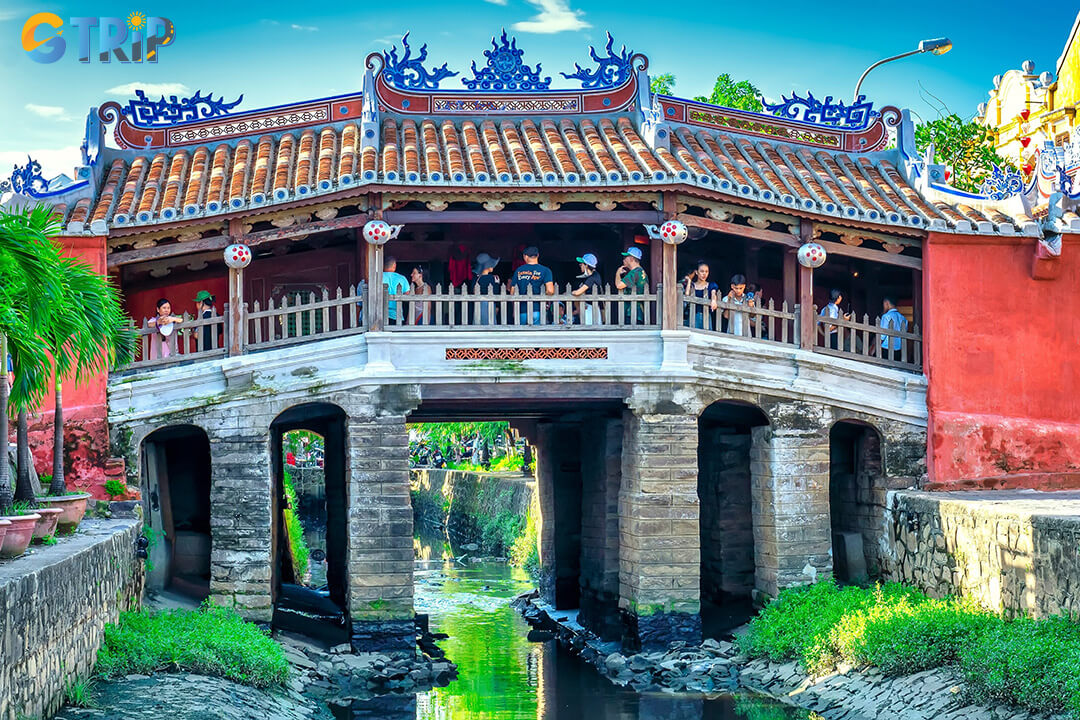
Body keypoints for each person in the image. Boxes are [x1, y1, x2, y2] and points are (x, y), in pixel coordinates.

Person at [510, 246, 555, 325]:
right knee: (536, 335)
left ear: (525, 256)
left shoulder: (519, 270)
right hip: (538, 309)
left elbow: (512, 292)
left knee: (521, 334)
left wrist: (514, 310)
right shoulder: (545, 270)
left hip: (521, 310)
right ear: (538, 255)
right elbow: (550, 291)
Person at [567, 253, 603, 325]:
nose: (580, 266)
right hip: (589, 307)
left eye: (581, 264)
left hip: (591, 308)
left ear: (586, 265)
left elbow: (578, 292)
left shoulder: (593, 278)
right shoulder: (590, 276)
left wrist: (571, 293)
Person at [615, 246, 649, 324]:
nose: (624, 260)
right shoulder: (641, 271)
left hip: (632, 311)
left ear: (631, 258)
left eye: (626, 257)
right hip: (638, 310)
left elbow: (619, 285)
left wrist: (618, 273)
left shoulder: (635, 273)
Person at [683, 261, 718, 329]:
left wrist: (714, 300)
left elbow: (713, 294)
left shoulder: (711, 285)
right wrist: (689, 281)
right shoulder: (692, 285)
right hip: (693, 315)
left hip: (706, 315)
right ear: (696, 272)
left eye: (706, 271)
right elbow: (687, 295)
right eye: (702, 271)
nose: (704, 274)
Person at [473, 253, 501, 325]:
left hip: (477, 305)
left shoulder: (475, 279)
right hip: (490, 304)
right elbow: (496, 293)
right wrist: (497, 306)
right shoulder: (495, 278)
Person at [878, 297, 909, 361]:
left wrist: (877, 346)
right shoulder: (903, 318)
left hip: (886, 348)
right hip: (899, 348)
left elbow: (882, 336)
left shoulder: (886, 316)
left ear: (887, 303)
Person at [383, 257, 410, 325]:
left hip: (380, 314)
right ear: (394, 265)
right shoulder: (402, 278)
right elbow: (408, 296)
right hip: (396, 315)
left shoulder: (377, 276)